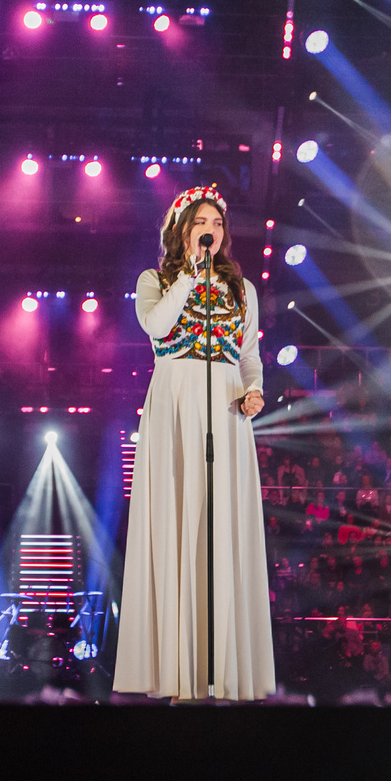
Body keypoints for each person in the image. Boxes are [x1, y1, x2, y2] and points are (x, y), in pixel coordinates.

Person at [113, 183, 276, 700]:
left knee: (219, 524)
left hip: (225, 404)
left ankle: (221, 670)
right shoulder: (155, 280)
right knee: (177, 519)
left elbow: (248, 354)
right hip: (176, 401)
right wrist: (188, 274)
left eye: (220, 223)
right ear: (183, 229)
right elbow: (156, 328)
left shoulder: (241, 290)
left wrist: (255, 389)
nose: (213, 230)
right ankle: (176, 670)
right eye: (203, 221)